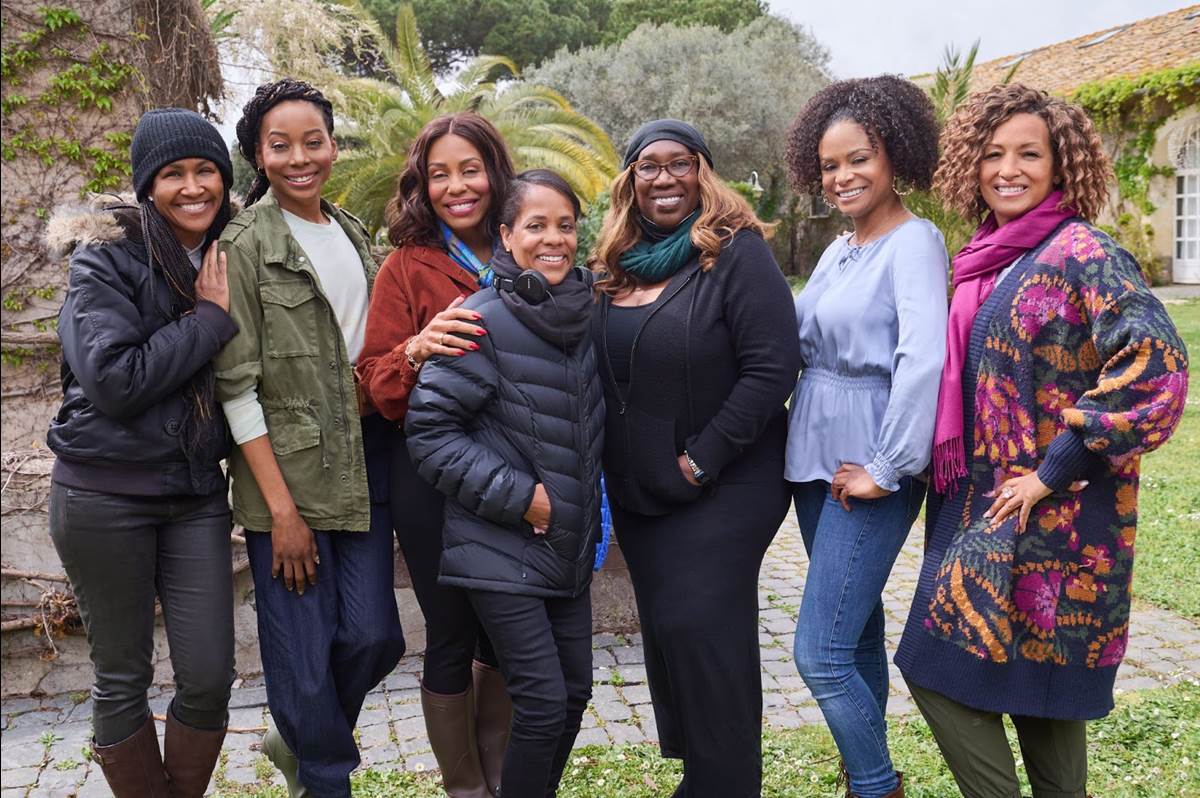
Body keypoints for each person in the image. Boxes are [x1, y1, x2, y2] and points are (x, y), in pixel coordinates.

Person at [894, 84, 1189, 798]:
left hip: (1061, 522)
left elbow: (1159, 371)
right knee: (998, 683)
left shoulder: (1085, 252)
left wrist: (1055, 468)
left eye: (1030, 153)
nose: (1009, 169)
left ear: (1063, 164)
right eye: (993, 154)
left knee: (1033, 699)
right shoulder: (985, 259)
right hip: (981, 506)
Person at [590, 120, 801, 797]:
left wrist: (701, 460)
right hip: (643, 491)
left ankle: (728, 781)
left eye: (679, 163)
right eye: (647, 166)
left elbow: (773, 369)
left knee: (701, 627)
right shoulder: (615, 264)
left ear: (703, 172)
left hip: (726, 483)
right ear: (630, 181)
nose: (663, 178)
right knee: (674, 635)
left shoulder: (736, 254)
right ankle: (706, 772)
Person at [213, 79, 406, 798]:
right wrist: (281, 513)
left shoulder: (352, 231)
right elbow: (236, 386)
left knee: (375, 637)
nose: (300, 158)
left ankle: (296, 733)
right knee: (302, 656)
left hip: (360, 464)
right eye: (280, 145)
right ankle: (323, 773)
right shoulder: (244, 246)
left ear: (332, 144)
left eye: (313, 141)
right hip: (285, 481)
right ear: (257, 157)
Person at [44, 108, 237, 797]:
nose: (192, 187)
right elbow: (117, 380)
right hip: (101, 493)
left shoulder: (230, 250)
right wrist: (210, 320)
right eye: (173, 174)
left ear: (224, 176)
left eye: (205, 170)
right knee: (122, 676)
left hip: (193, 496)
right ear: (147, 186)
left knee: (211, 676)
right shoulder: (105, 255)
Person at [406, 169, 602, 798]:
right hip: (501, 547)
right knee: (542, 701)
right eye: (537, 225)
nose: (554, 239)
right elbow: (430, 435)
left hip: (566, 548)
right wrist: (522, 498)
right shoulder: (477, 320)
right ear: (507, 237)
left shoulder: (586, 314)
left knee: (573, 694)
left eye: (565, 225)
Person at [782, 76, 947, 798]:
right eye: (829, 165)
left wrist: (888, 466)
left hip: (867, 463)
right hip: (814, 460)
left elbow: (924, 359)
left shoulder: (914, 242)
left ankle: (877, 786)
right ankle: (862, 775)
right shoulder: (840, 248)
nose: (842, 176)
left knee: (818, 653)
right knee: (856, 635)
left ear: (896, 157)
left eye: (860, 159)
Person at [357, 112, 515, 797]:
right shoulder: (406, 266)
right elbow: (373, 384)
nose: (457, 186)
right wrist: (416, 349)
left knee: (507, 632)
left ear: (495, 173)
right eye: (440, 173)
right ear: (422, 183)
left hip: (513, 475)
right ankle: (464, 788)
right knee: (450, 632)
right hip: (430, 482)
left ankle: (502, 778)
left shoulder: (524, 246)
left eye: (470, 169)